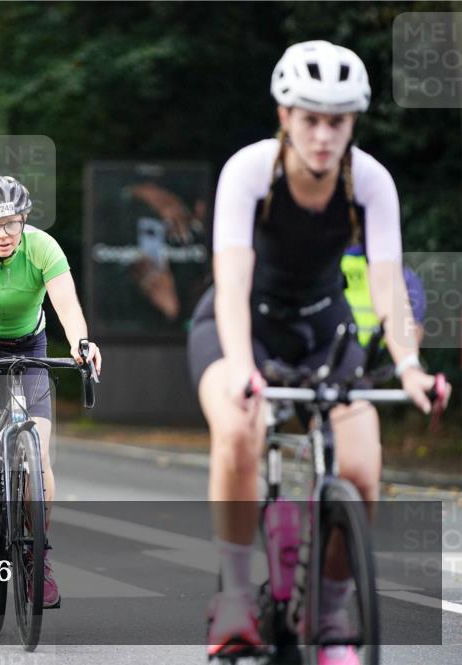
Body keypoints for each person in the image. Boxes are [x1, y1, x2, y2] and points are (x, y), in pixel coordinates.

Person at [186, 41, 451, 663]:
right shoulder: (250, 172)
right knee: (237, 426)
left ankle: (331, 619)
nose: (324, 135)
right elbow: (231, 283)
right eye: (310, 118)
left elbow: (387, 290)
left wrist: (410, 366)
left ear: (353, 122)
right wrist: (243, 370)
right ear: (285, 116)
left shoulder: (371, 181)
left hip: (323, 331)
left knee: (361, 468)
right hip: (241, 324)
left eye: (338, 121)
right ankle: (232, 597)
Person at [0, 175, 101, 609]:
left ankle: (36, 558)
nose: (2, 234)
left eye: (10, 223)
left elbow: (67, 308)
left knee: (39, 457)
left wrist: (82, 343)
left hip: (31, 342)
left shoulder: (43, 248)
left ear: (24, 219)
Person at [342, 244, 427, 346]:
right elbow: (415, 328)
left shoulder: (331, 263)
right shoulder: (396, 269)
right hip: (373, 351)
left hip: (338, 347)